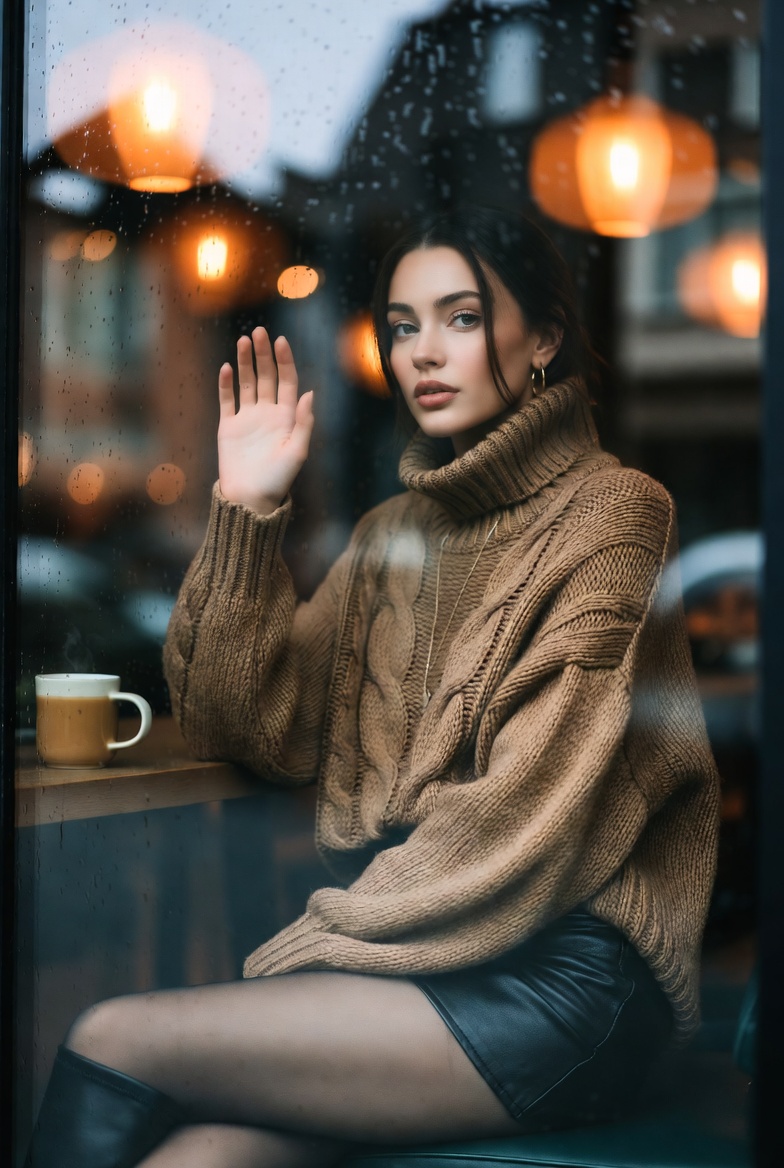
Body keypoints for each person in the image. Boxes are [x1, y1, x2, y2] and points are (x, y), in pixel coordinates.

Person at [25, 207, 720, 1168]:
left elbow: (521, 821)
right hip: (407, 964)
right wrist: (248, 506)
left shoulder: (616, 515)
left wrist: (311, 948)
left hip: (563, 984)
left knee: (114, 1034)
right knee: (203, 1156)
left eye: (462, 318)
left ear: (544, 339)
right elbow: (240, 723)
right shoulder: (390, 536)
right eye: (402, 326)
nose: (423, 351)